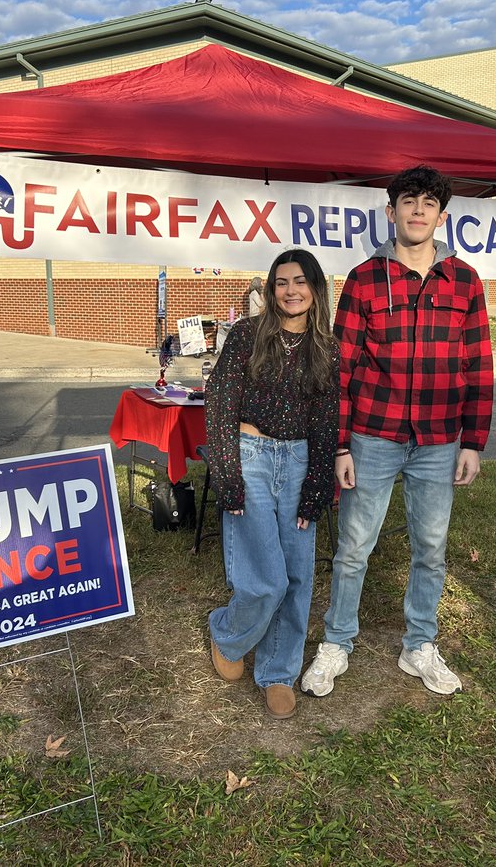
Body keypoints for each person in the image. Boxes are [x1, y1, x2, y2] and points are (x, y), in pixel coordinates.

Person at [300, 165, 494, 698]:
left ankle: (420, 645)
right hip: (372, 435)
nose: (416, 211)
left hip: (439, 439)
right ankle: (337, 643)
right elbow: (339, 370)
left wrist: (474, 441)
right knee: (355, 547)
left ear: (441, 216)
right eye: (407, 202)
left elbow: (478, 365)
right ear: (391, 212)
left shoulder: (466, 281)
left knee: (430, 548)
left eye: (427, 204)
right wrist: (340, 442)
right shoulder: (363, 280)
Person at [206, 249, 340, 719]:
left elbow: (326, 421)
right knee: (265, 578)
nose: (291, 290)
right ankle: (228, 633)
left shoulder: (327, 345)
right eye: (281, 282)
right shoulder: (247, 335)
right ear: (270, 289)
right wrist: (227, 473)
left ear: (315, 288)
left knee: (298, 575)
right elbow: (220, 403)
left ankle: (279, 671)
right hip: (252, 456)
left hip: (301, 459)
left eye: (300, 281)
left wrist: (318, 484)